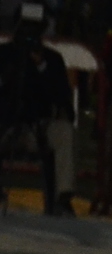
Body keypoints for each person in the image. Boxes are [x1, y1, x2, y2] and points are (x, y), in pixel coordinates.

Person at [0, 4, 76, 216]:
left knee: (64, 132)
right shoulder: (4, 54)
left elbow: (63, 100)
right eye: (25, 30)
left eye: (35, 30)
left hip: (38, 129)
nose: (29, 36)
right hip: (6, 127)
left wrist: (41, 66)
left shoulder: (52, 60)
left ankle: (62, 198)